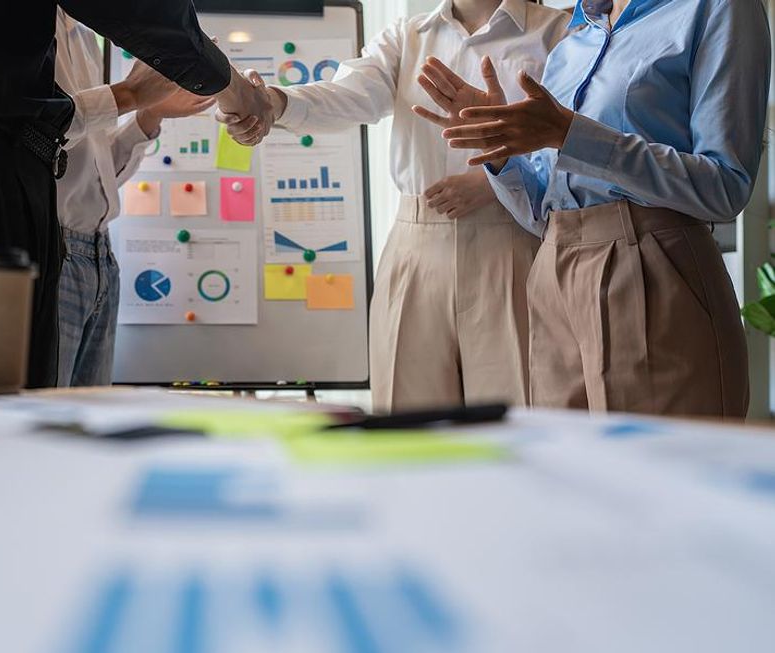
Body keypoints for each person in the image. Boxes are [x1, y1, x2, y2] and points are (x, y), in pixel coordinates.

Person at [0, 1, 272, 389]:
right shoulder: (21, 37)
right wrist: (229, 88)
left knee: (11, 430)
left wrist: (154, 104)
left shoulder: (34, 30)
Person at [417, 0, 770, 417]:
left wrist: (570, 134)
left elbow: (725, 185)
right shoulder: (575, 37)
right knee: (571, 472)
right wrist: (496, 145)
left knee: (654, 473)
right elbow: (540, 212)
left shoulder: (716, 8)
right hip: (553, 271)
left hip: (654, 268)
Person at [224, 0, 568, 412]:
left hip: (514, 237)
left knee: (517, 408)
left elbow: (573, 138)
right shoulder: (407, 36)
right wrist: (275, 102)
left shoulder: (557, 32)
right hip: (416, 243)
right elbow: (347, 95)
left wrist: (494, 180)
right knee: (407, 409)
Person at [53, 10, 215, 387]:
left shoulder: (81, 30)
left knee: (87, 430)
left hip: (99, 257)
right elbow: (36, 130)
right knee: (43, 423)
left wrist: (148, 114)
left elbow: (93, 174)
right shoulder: (15, 22)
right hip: (52, 251)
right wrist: (127, 95)